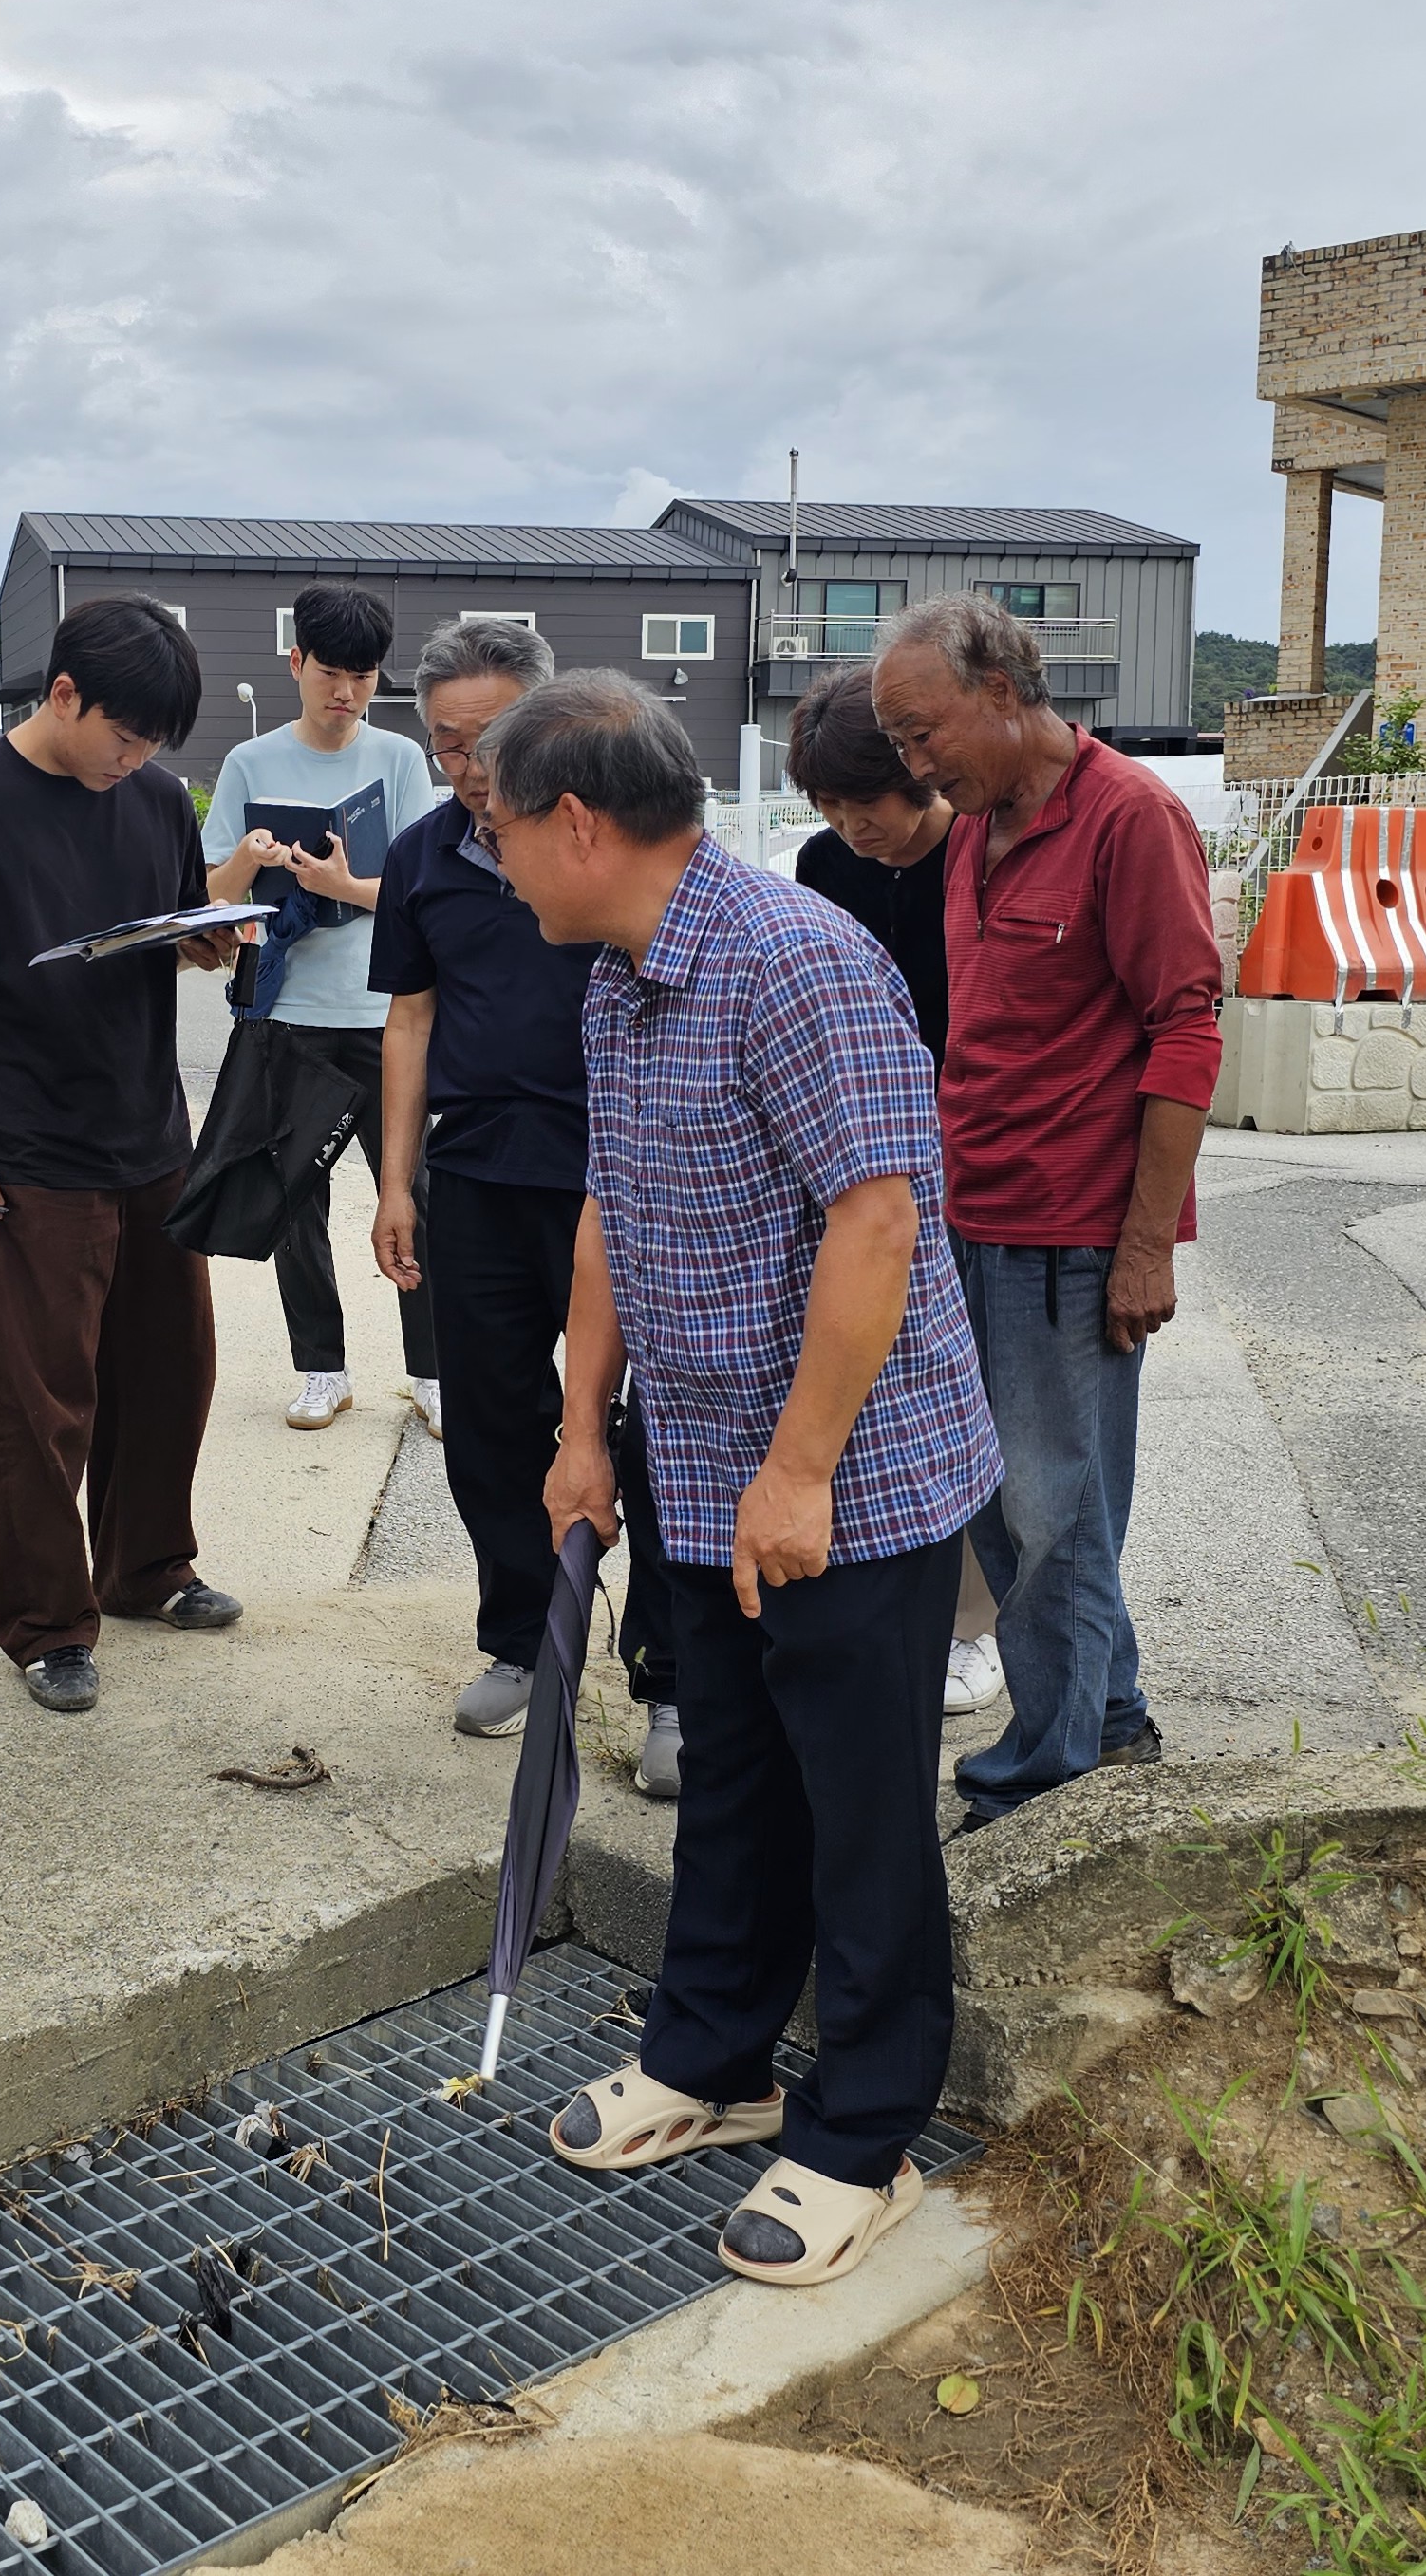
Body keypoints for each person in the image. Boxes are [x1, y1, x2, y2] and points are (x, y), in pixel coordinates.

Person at [489, 674, 997, 2291]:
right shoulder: (620, 978)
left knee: (859, 1807)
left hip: (846, 1476)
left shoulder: (797, 965)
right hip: (702, 1462)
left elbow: (879, 1222)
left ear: (577, 824)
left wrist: (799, 1472)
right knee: (732, 1775)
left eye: (499, 829)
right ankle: (714, 2056)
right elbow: (610, 1212)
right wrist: (582, 1430)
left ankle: (863, 2131)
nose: (491, 858)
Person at [871, 594, 1218, 1830]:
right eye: (897, 744)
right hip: (973, 1209)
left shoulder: (1133, 819)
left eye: (924, 734)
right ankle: (1106, 1713)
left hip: (1074, 1232)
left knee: (1053, 1503)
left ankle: (1052, 1768)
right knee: (997, 1497)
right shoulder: (974, 831)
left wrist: (1142, 1251)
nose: (913, 765)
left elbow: (1187, 1029)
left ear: (1006, 693)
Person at [0, 596, 251, 1716]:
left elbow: (171, 932)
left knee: (169, 1369)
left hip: (147, 1131)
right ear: (62, 695)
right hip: (27, 1150)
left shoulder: (145, 798)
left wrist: (211, 937)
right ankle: (46, 1624)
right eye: (121, 735)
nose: (134, 760)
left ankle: (145, 1569)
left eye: (152, 746)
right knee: (42, 1400)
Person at [366, 614, 678, 1785]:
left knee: (654, 1434)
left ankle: (669, 1678)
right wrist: (398, 1183)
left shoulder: (606, 842)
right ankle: (519, 1636)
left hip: (623, 1174)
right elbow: (410, 1018)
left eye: (490, 737)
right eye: (447, 743)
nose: (469, 765)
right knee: (493, 1423)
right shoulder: (423, 856)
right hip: (482, 1175)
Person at [783, 665, 1001, 1728]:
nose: (845, 825)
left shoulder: (983, 854)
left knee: (971, 1407)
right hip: (874, 1165)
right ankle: (916, 1615)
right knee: (880, 1400)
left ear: (911, 775)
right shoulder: (824, 866)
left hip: (978, 1163)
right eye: (824, 807)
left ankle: (973, 1627)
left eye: (858, 800)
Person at [199, 584, 444, 1434]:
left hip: (387, 1015)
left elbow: (426, 891)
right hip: (290, 1014)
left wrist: (342, 886)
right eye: (330, 672)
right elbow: (213, 897)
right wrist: (247, 858)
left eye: (364, 676)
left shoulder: (402, 759)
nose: (346, 692)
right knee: (292, 1202)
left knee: (410, 1191)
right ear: (295, 663)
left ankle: (431, 1370)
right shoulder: (250, 764)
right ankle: (322, 1369)